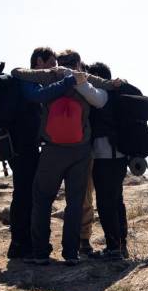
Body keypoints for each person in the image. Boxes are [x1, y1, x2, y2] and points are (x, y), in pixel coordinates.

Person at [11, 49, 114, 265]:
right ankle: (71, 253)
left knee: (42, 200)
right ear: (78, 64)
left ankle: (40, 253)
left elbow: (18, 73)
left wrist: (53, 73)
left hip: (52, 150)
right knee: (75, 202)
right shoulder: (83, 81)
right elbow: (102, 95)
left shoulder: (51, 77)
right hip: (80, 151)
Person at [7, 47, 76, 260]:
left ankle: (23, 243)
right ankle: (20, 245)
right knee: (24, 195)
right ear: (39, 61)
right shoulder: (27, 78)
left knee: (27, 194)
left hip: (27, 146)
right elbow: (36, 97)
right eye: (52, 63)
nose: (54, 68)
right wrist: (65, 82)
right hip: (21, 147)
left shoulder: (34, 79)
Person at [80, 62, 130, 259]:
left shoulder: (101, 97)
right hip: (120, 156)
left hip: (104, 157)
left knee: (106, 203)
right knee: (117, 201)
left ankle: (113, 248)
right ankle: (121, 244)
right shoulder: (116, 97)